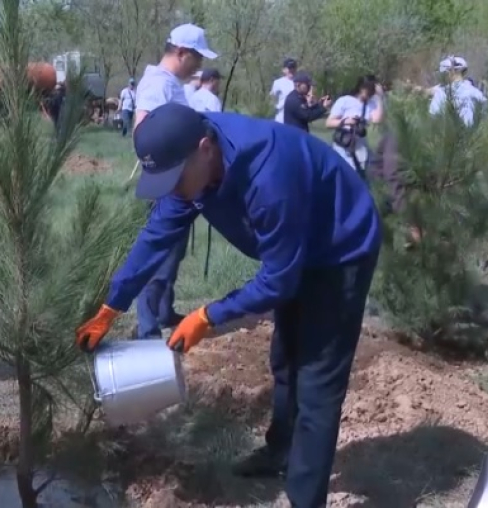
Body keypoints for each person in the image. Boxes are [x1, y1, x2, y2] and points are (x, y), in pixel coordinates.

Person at [75, 103, 381, 508]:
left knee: (318, 382)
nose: (172, 190)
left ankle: (305, 499)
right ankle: (281, 452)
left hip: (341, 249)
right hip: (293, 248)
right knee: (286, 359)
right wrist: (112, 306)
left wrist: (208, 316)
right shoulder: (189, 168)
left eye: (175, 180)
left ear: (205, 148)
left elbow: (279, 279)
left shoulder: (268, 174)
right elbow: (156, 235)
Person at [133, 23, 217, 340]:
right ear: (182, 52)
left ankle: (164, 310)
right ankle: (147, 326)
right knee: (161, 254)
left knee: (174, 252)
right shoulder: (157, 84)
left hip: (180, 179)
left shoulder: (172, 83)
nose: (199, 65)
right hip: (167, 181)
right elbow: (144, 134)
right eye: (197, 57)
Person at [326, 74, 385, 174]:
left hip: (360, 147)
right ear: (361, 87)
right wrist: (345, 121)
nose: (369, 93)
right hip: (343, 145)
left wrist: (380, 97)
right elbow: (328, 123)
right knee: (347, 175)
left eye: (372, 90)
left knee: (360, 177)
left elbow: (377, 120)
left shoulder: (371, 104)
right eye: (368, 89)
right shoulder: (345, 101)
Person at [428, 56, 486, 126]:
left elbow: (434, 117)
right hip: (475, 134)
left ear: (450, 72)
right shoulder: (476, 92)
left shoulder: (442, 93)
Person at [270, 58, 297, 123]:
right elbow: (272, 98)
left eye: (293, 67)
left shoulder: (299, 83)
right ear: (284, 70)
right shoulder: (278, 82)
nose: (291, 70)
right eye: (289, 68)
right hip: (281, 117)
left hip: (295, 118)